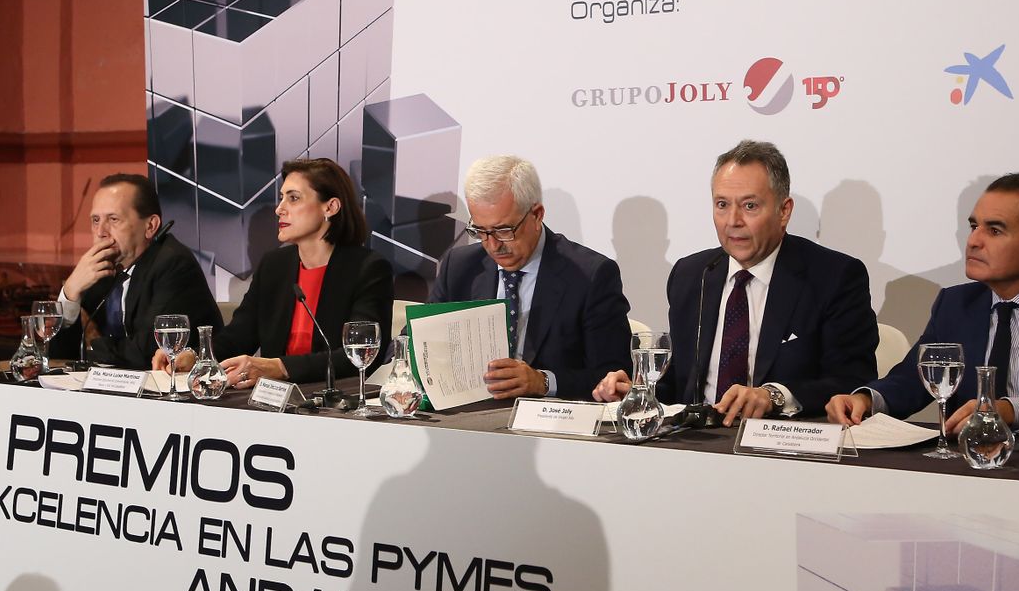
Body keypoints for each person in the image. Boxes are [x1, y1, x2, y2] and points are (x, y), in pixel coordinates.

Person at [594, 140, 879, 425]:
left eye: (750, 206)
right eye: (722, 205)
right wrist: (640, 390)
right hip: (695, 444)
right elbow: (682, 383)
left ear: (784, 211)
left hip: (782, 445)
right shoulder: (692, 274)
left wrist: (774, 396)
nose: (733, 220)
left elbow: (852, 380)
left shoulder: (834, 277)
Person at [828, 172, 1019, 434]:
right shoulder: (956, 304)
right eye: (974, 226)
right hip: (969, 465)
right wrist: (866, 399)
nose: (973, 241)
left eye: (994, 230)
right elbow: (912, 380)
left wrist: (1008, 410)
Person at [156, 158, 393, 388]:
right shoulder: (274, 265)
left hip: (335, 401)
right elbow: (238, 337)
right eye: (282, 198)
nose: (279, 209)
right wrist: (194, 356)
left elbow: (358, 355)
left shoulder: (368, 269)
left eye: (293, 198)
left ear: (330, 207)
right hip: (273, 400)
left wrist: (279, 367)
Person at [428, 155, 631, 400]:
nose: (492, 245)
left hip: (552, 422)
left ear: (537, 215)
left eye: (504, 230)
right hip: (469, 415)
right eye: (480, 231)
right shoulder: (459, 267)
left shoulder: (591, 275)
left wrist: (543, 381)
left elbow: (613, 377)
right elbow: (421, 343)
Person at [51, 173, 221, 368]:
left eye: (113, 219)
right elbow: (59, 357)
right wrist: (70, 292)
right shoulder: (100, 268)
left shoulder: (174, 264)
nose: (100, 232)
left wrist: (90, 347)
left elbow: (146, 352)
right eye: (95, 220)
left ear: (150, 226)